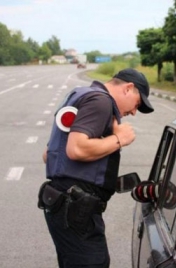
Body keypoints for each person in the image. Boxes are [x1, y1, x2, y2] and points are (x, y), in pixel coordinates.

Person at [38, 68, 154, 268]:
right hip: (75, 209)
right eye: (137, 103)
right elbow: (76, 149)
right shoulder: (101, 102)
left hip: (62, 204)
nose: (134, 112)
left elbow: (48, 154)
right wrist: (120, 139)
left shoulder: (80, 95)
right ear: (128, 88)